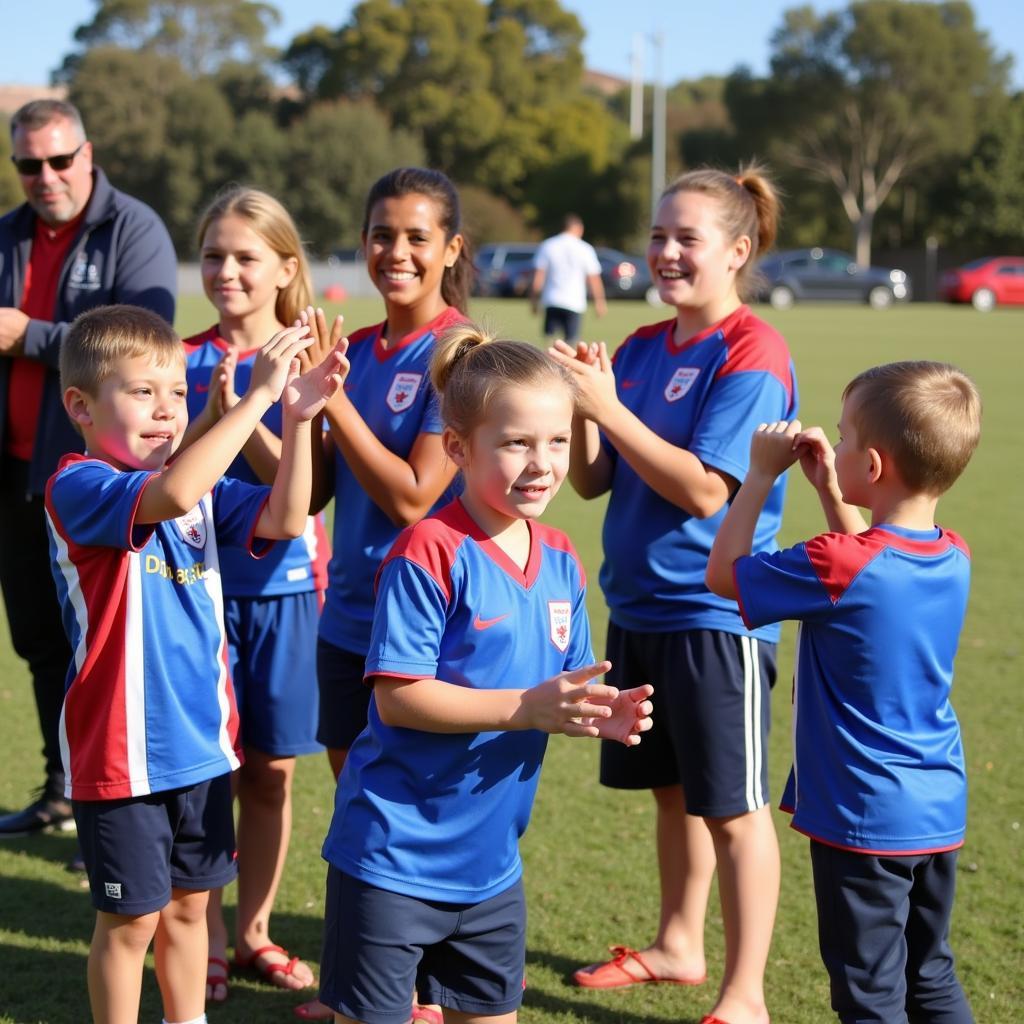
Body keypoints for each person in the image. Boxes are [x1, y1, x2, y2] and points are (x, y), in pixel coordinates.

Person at [317, 323, 654, 1024]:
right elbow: (400, 698)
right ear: (458, 449)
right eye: (515, 443)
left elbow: (560, 685)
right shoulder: (428, 551)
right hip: (391, 859)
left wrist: (598, 708)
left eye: (557, 441)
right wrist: (525, 709)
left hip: (491, 869)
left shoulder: (562, 557)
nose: (542, 463)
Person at [44, 304, 345, 1024]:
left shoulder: (202, 492)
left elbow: (286, 516)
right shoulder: (78, 484)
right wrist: (262, 398)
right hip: (120, 756)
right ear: (80, 406)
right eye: (142, 392)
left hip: (203, 749)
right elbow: (172, 491)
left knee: (188, 911)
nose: (166, 410)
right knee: (130, 925)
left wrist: (299, 420)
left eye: (177, 393)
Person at [551, 165, 796, 1024]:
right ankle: (678, 943)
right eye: (657, 236)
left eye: (686, 238)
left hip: (715, 616)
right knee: (672, 793)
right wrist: (586, 407)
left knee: (732, 807)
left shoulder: (753, 351)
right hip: (639, 608)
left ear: (737, 250)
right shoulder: (643, 346)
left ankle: (747, 994)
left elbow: (704, 492)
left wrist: (607, 408)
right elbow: (589, 482)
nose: (664, 252)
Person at [706, 362, 980, 1024]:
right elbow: (870, 559)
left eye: (847, 437)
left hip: (865, 816)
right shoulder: (954, 552)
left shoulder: (837, 561)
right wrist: (832, 484)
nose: (838, 444)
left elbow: (722, 575)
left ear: (877, 467)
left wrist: (761, 476)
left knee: (869, 993)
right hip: (935, 807)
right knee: (929, 972)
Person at [295, 165, 474, 1024]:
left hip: (428, 623)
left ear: (450, 249)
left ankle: (426, 991)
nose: (394, 251)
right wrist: (286, 412)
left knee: (416, 811)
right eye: (380, 234)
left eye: (414, 237)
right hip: (347, 611)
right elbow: (320, 489)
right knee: (362, 807)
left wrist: (339, 407)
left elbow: (414, 492)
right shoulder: (356, 347)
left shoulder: (460, 352)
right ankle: (367, 986)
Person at [0, 98, 177, 839]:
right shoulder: (8, 233)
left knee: (97, 646)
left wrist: (29, 333)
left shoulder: (131, 228)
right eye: (28, 165)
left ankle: (111, 809)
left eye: (58, 160)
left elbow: (145, 343)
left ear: (88, 153)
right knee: (39, 640)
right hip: (11, 472)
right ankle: (62, 790)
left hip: (92, 481)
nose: (45, 177)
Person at [181, 186, 329, 1002]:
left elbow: (303, 494)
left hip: (285, 591)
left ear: (285, 267)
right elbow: (166, 478)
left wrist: (255, 408)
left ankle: (254, 933)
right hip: (196, 596)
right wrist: (212, 416)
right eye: (213, 255)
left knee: (271, 769)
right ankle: (201, 938)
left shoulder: (309, 356)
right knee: (207, 768)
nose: (227, 271)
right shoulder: (180, 353)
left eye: (245, 256)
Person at [530, 214, 606, 343]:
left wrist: (534, 300)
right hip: (574, 302)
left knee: (550, 342)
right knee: (571, 343)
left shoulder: (548, 245)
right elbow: (594, 279)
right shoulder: (585, 248)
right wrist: (600, 302)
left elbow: (538, 277)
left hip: (552, 300)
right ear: (579, 228)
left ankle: (548, 364)